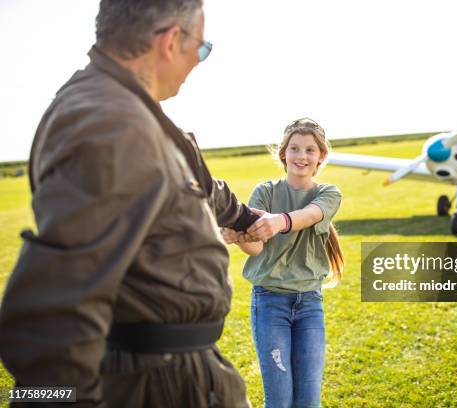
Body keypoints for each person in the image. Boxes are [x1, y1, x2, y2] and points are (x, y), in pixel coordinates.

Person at [0, 1, 256, 406]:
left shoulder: (129, 110)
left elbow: (195, 185)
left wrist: (244, 217)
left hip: (179, 376)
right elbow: (51, 320)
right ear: (172, 41)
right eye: (202, 48)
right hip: (155, 386)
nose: (199, 62)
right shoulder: (107, 122)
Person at [222, 118, 344, 408]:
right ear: (283, 154)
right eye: (294, 148)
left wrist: (279, 221)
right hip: (269, 302)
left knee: (308, 401)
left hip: (309, 304)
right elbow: (255, 248)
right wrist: (238, 236)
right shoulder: (265, 192)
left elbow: (311, 215)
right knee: (279, 400)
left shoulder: (327, 194)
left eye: (310, 150)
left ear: (321, 157)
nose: (302, 156)